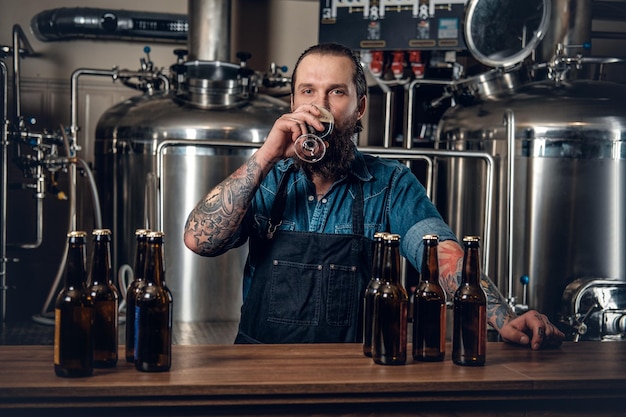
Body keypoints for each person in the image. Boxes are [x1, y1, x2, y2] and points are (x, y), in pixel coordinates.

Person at [184, 42, 564, 348]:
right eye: (308, 92)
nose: (320, 106)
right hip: (260, 371)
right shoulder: (267, 178)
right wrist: (266, 155)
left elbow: (442, 256)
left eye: (336, 92)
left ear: (359, 106)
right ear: (293, 104)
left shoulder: (390, 183)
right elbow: (199, 240)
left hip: (356, 375)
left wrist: (503, 317)